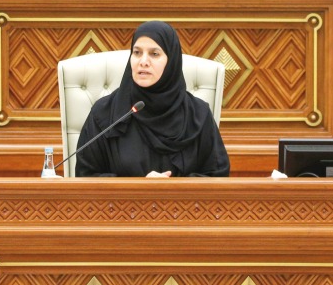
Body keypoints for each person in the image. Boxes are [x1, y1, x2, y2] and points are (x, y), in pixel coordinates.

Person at [75, 21, 230, 178]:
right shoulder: (104, 113)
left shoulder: (198, 114)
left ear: (171, 61)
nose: (143, 61)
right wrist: (139, 187)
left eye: (154, 54)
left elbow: (218, 176)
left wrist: (171, 188)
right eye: (137, 52)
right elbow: (85, 176)